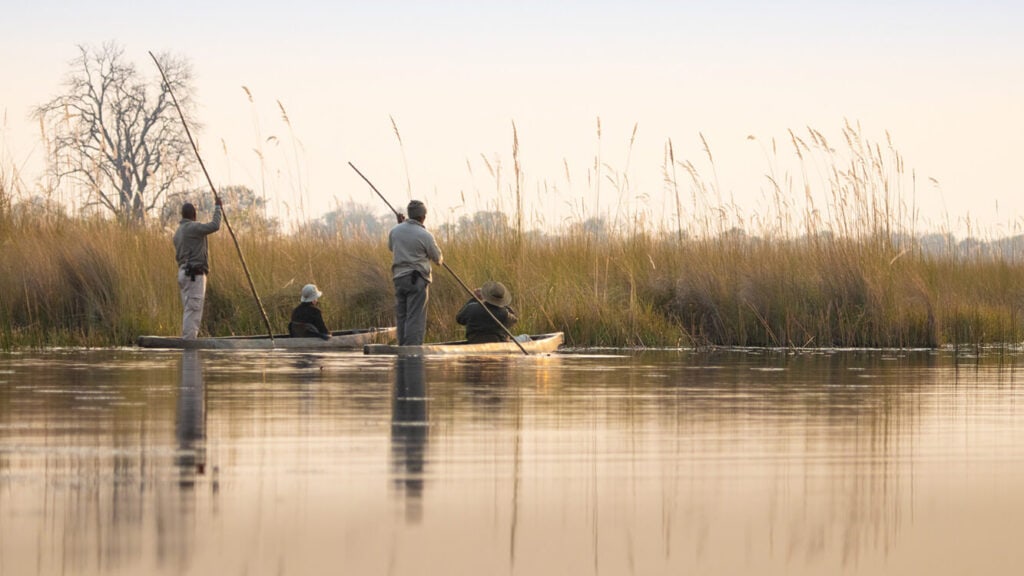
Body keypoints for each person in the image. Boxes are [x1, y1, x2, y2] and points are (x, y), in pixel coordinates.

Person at [388, 200, 443, 345]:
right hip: (417, 279)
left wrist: (400, 225)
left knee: (402, 316)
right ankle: (412, 350)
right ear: (423, 217)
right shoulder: (425, 235)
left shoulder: (395, 231)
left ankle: (402, 346)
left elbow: (391, 247)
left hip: (399, 279)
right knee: (415, 317)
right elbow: (438, 259)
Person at [173, 198, 222, 340]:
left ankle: (188, 339)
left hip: (183, 272)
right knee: (193, 310)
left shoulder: (177, 233)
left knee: (189, 309)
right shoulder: (193, 227)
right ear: (194, 216)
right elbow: (214, 225)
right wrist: (218, 208)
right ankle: (189, 344)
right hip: (194, 273)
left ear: (182, 215)